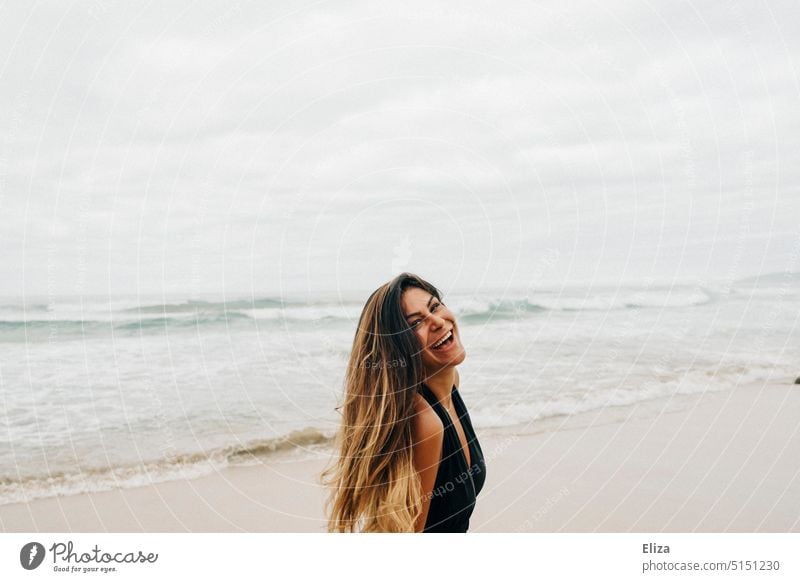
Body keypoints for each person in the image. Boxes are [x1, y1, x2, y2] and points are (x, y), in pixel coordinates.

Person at [322, 272, 486, 532]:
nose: (437, 322)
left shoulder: (451, 383)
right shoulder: (425, 423)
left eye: (434, 307)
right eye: (415, 324)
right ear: (398, 346)